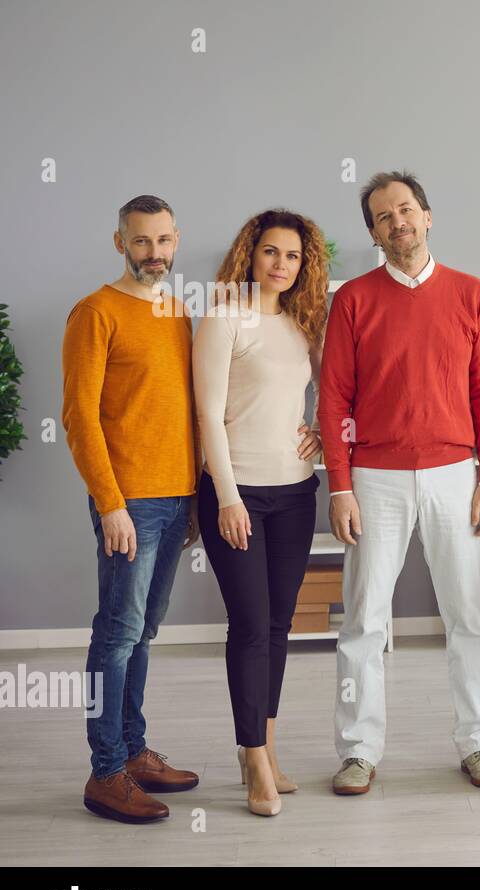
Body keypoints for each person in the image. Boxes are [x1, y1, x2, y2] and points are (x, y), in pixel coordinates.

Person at [318, 170, 480, 795]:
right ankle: (358, 751)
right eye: (382, 217)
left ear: (427, 216)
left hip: (456, 475)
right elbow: (335, 396)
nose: (397, 223)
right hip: (374, 477)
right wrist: (339, 486)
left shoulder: (470, 292)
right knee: (365, 620)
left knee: (467, 614)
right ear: (373, 232)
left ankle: (479, 743)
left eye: (405, 210)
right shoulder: (353, 300)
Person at [62, 194, 201, 824]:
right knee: (116, 635)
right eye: (142, 242)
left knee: (143, 631)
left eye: (164, 241)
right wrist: (110, 503)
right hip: (131, 504)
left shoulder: (177, 311)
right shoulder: (95, 312)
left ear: (177, 239)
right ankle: (105, 771)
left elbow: (185, 410)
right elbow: (79, 418)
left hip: (176, 499)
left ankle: (135, 751)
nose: (155, 254)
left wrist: (195, 495)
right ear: (120, 243)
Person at [193, 209, 329, 816]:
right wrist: (225, 497)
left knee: (278, 627)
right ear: (250, 254)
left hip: (296, 492)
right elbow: (208, 417)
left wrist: (323, 431)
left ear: (305, 265)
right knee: (250, 626)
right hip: (238, 491)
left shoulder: (304, 324)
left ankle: (267, 747)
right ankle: (252, 760)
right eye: (271, 252)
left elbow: (328, 392)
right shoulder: (224, 319)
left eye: (293, 256)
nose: (281, 265)